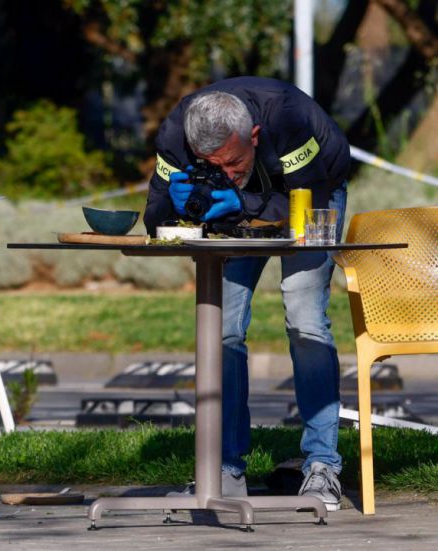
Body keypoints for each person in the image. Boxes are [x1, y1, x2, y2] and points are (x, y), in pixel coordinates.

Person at [143, 77, 350, 511]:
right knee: (221, 326)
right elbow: (154, 218)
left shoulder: (285, 116)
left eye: (233, 161)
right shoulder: (174, 134)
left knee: (304, 316)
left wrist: (238, 200)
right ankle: (224, 471)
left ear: (253, 136)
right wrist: (178, 204)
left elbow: (305, 202)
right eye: (212, 166)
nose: (226, 172)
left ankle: (323, 465)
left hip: (314, 187)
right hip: (245, 206)